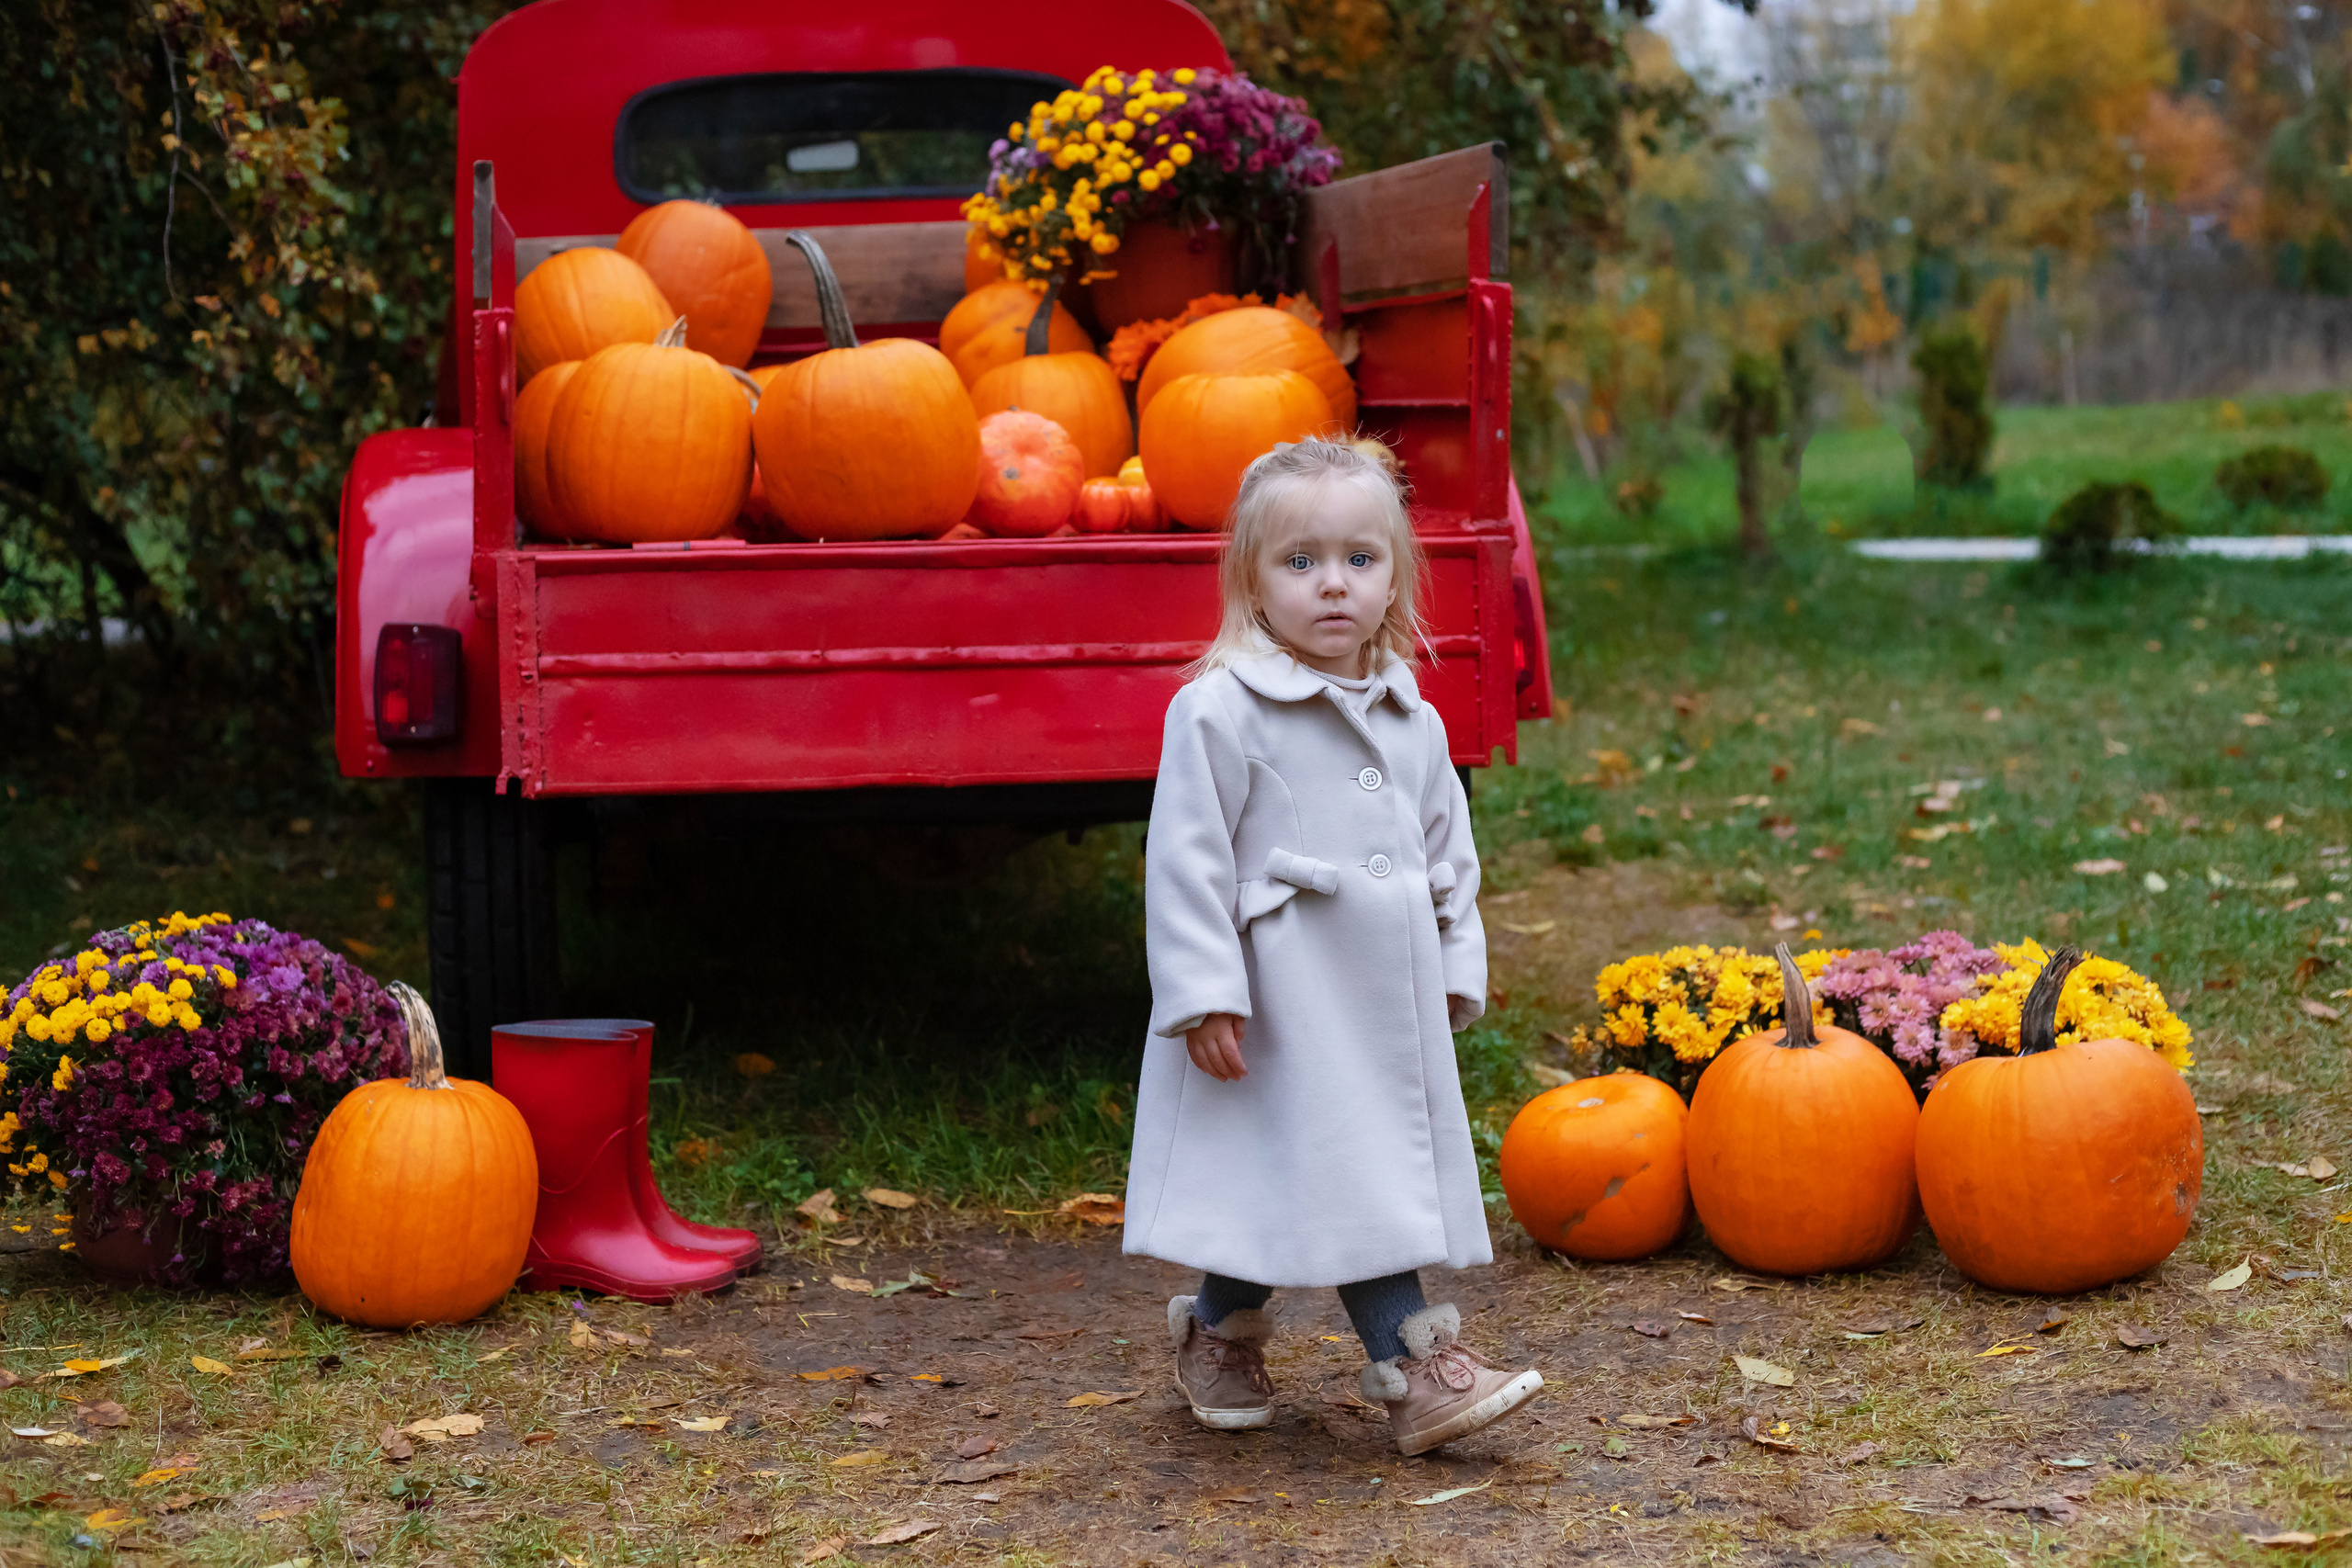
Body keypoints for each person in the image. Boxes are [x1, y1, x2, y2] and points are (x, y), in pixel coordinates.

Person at [1122, 437, 1543, 1456]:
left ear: (1395, 574)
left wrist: (1454, 959)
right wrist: (1202, 992)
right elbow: (1184, 865)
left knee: (1306, 1171)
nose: (1332, 585)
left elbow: (1449, 851)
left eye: (1359, 559)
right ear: (1252, 585)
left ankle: (1218, 1329)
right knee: (1334, 1164)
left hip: (1377, 1001)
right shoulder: (1217, 711)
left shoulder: (1411, 717)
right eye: (1299, 562)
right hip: (1278, 1000)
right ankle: (1418, 1368)